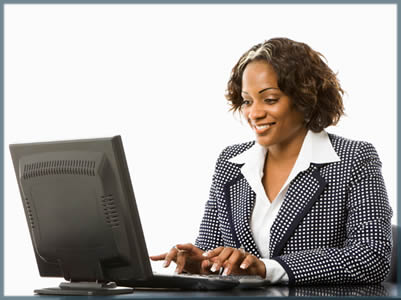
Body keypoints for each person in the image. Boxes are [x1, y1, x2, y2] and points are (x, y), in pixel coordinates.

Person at [150, 37, 393, 285]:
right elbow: (214, 254)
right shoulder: (230, 162)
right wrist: (200, 264)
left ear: (305, 100)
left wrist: (266, 269)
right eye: (247, 101)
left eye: (270, 99)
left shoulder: (353, 159)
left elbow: (371, 258)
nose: (254, 113)